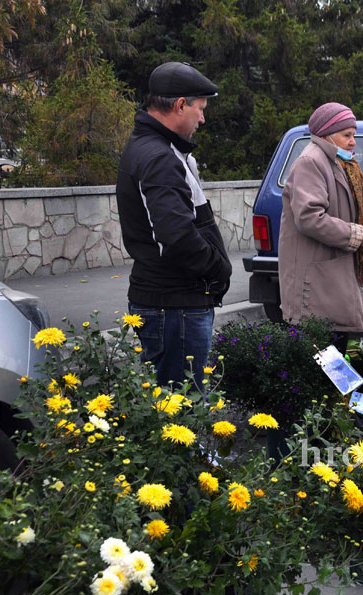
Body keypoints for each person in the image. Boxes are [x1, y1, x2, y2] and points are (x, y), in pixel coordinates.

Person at [116, 61, 232, 389]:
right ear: (180, 105)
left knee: (172, 409)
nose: (203, 118)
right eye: (200, 108)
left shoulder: (157, 149)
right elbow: (177, 237)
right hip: (175, 305)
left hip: (171, 302)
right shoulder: (159, 157)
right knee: (180, 413)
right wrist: (216, 269)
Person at [278, 102, 363, 337]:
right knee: (322, 358)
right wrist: (360, 234)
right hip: (318, 283)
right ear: (327, 135)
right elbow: (310, 218)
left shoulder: (344, 163)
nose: (353, 141)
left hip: (334, 278)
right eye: (346, 135)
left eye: (353, 135)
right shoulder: (310, 162)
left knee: (337, 358)